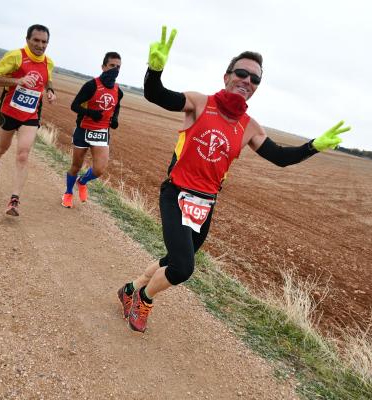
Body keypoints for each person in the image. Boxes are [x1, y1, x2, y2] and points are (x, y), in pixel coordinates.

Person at [117, 26, 351, 333]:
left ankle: (131, 289)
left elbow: (280, 157)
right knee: (182, 267)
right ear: (227, 76)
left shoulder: (250, 127)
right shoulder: (200, 103)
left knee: (170, 259)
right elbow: (156, 95)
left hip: (205, 205)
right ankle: (144, 300)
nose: (247, 81)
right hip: (176, 194)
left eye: (255, 79)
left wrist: (313, 147)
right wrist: (155, 70)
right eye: (242, 73)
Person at [0, 24, 56, 216]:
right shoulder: (15, 56)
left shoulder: (48, 62)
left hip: (31, 114)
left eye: (44, 42)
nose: (40, 45)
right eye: (36, 40)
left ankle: (14, 200)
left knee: (23, 154)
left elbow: (47, 78)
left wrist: (50, 90)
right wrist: (18, 81)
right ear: (27, 40)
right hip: (9, 110)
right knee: (2, 148)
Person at [61, 52, 123, 208]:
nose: (115, 69)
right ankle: (68, 193)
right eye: (111, 66)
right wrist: (91, 113)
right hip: (83, 130)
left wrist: (115, 118)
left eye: (118, 67)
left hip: (101, 132)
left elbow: (116, 106)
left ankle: (82, 181)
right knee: (76, 166)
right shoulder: (91, 86)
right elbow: (74, 105)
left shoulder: (118, 91)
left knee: (99, 169)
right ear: (103, 67)